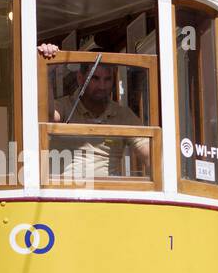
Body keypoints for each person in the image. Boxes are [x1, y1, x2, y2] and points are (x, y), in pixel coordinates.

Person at [38, 47, 151, 180]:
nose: (102, 86)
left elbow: (149, 155)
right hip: (66, 195)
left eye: (107, 79)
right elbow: (49, 117)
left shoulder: (123, 115)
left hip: (108, 194)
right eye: (95, 78)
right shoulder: (64, 106)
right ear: (80, 78)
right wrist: (46, 70)